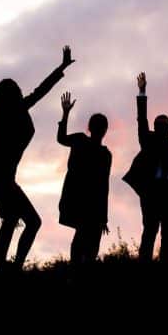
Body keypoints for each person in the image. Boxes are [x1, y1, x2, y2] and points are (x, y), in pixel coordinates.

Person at [0, 46, 74, 271]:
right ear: (13, 95)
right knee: (31, 221)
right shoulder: (13, 111)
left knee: (12, 219)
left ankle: (6, 267)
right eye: (18, 91)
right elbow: (41, 91)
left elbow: (0, 152)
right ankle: (10, 267)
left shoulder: (0, 114)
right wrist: (62, 67)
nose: (21, 93)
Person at [122, 72, 168, 264]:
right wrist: (142, 92)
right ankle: (144, 267)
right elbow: (141, 119)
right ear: (156, 127)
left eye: (167, 125)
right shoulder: (148, 140)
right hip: (152, 194)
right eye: (161, 125)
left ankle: (166, 266)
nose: (165, 128)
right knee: (150, 232)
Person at [56, 91, 111, 264]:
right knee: (87, 241)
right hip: (87, 203)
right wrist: (103, 217)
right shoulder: (104, 154)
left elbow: (61, 138)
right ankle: (79, 274)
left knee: (82, 239)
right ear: (105, 130)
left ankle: (77, 274)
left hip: (78, 200)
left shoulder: (82, 141)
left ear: (90, 127)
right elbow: (104, 187)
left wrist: (65, 115)